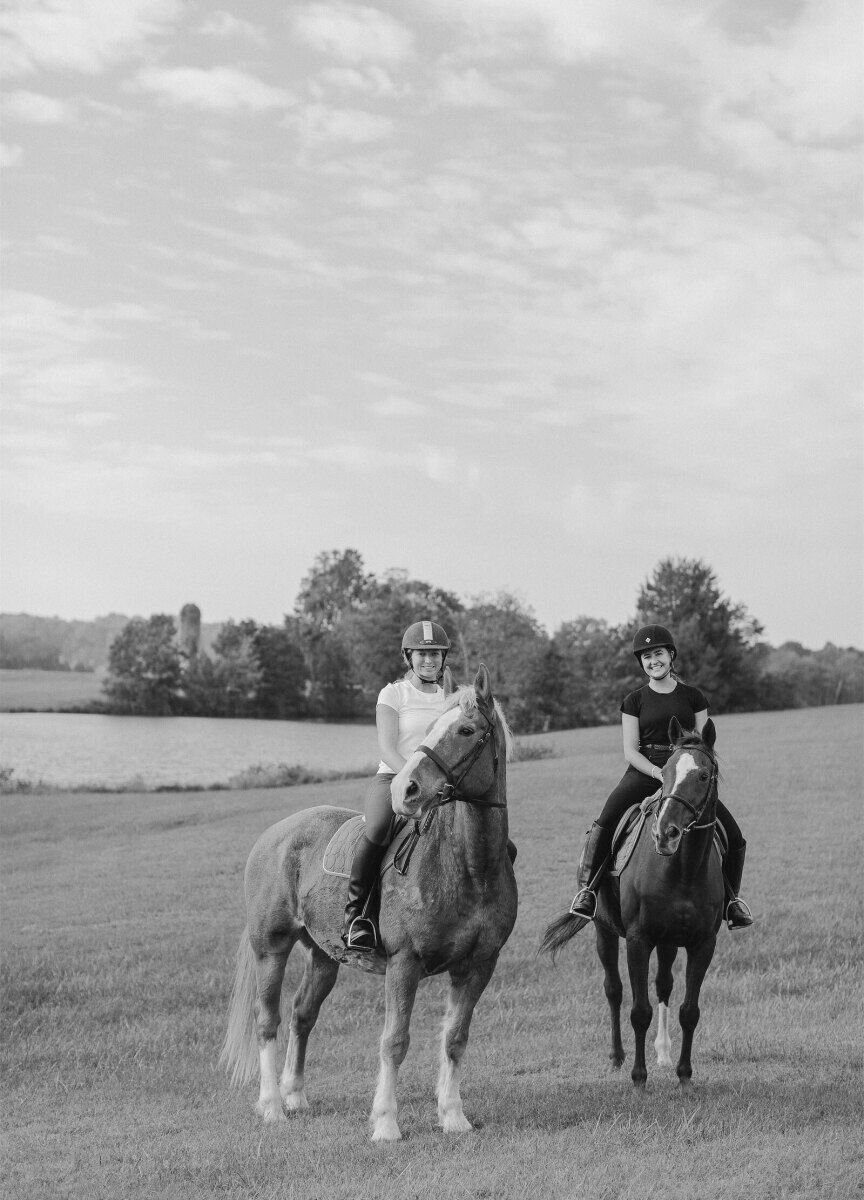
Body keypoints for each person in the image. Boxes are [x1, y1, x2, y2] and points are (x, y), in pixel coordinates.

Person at [568, 624, 753, 931]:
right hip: (646, 770)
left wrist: (681, 775)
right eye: (646, 657)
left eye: (658, 654)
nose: (653, 661)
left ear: (670, 655)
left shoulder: (694, 697)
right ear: (641, 663)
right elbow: (630, 750)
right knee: (606, 819)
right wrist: (659, 773)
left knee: (734, 836)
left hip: (687, 776)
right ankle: (587, 891)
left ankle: (732, 902)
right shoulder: (634, 700)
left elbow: (704, 745)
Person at [342, 619, 451, 951]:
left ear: (444, 659)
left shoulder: (449, 697)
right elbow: (388, 748)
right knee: (377, 829)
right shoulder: (393, 694)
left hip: (438, 786)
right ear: (409, 656)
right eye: (422, 654)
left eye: (436, 654)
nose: (429, 660)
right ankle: (356, 917)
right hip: (392, 777)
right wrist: (416, 779)